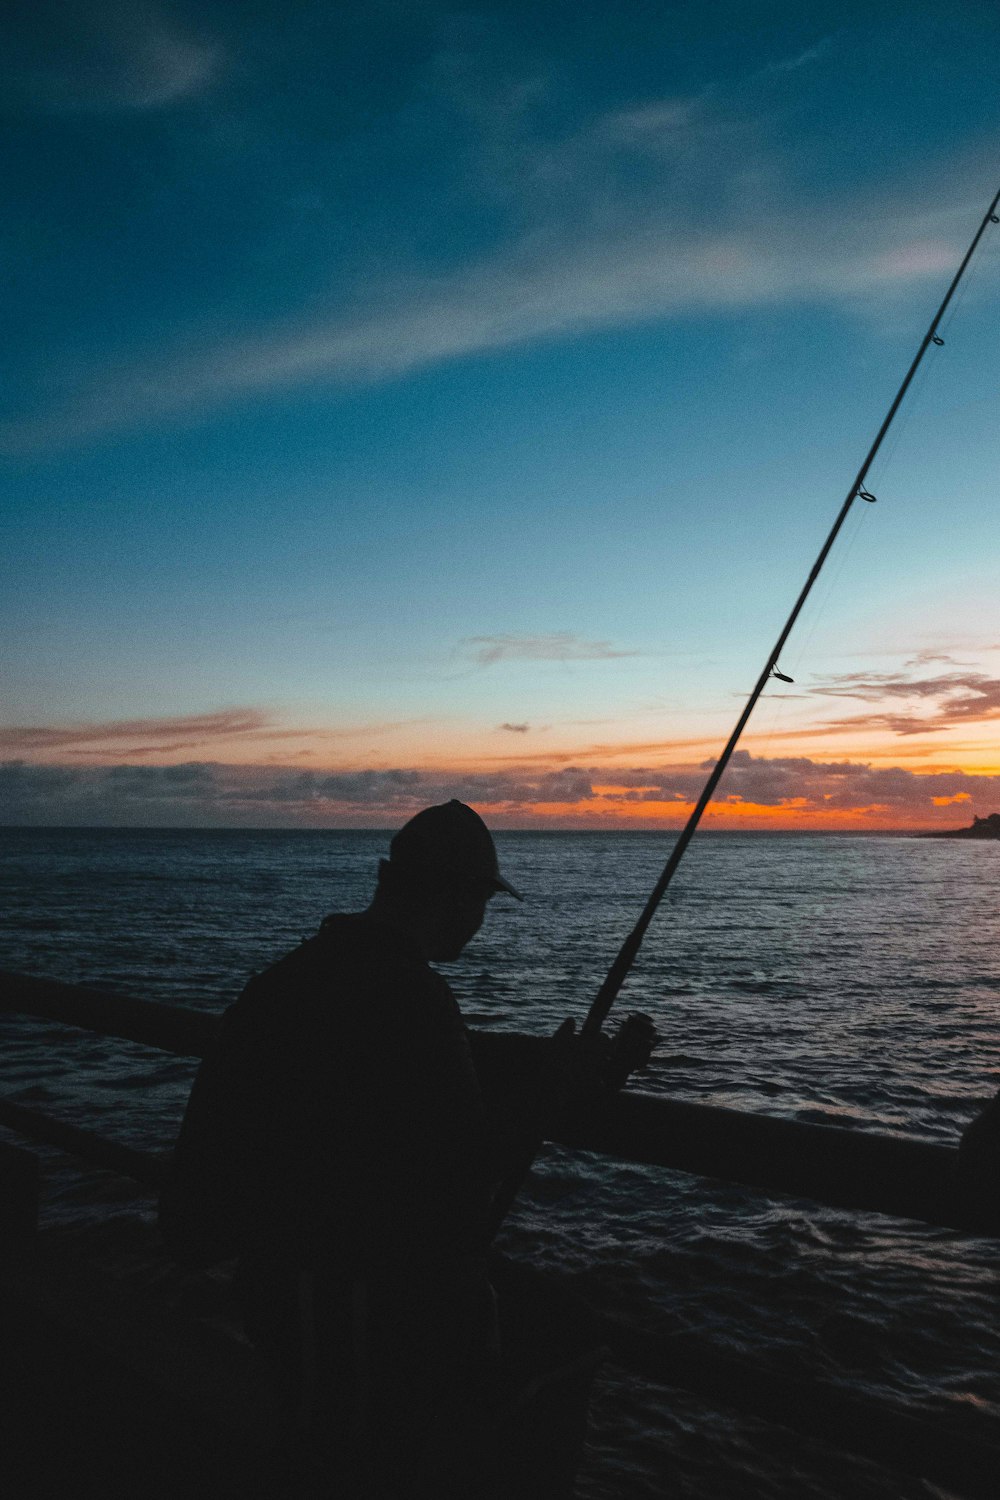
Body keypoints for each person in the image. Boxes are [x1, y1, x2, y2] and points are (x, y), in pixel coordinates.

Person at [159, 800, 655, 1498]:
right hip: (353, 1304)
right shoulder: (411, 999)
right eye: (481, 902)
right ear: (459, 899)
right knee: (561, 1338)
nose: (480, 923)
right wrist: (550, 1093)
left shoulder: (286, 981)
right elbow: (460, 1171)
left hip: (270, 1287)